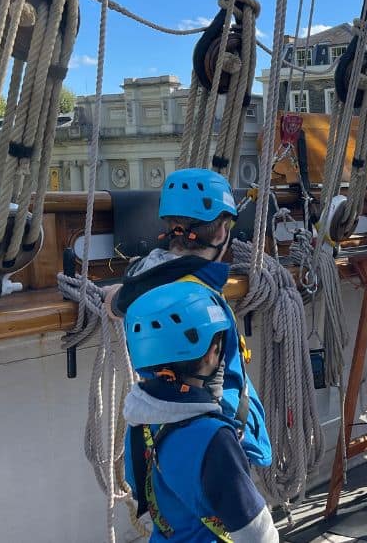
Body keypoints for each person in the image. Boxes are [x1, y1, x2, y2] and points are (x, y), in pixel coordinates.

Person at [107, 168, 271, 466]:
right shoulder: (198, 302)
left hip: (163, 440)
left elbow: (114, 304)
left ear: (170, 225)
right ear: (222, 231)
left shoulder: (142, 281)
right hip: (217, 446)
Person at [122, 281, 280, 542]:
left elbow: (142, 493)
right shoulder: (214, 438)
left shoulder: (139, 421)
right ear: (212, 354)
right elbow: (258, 535)